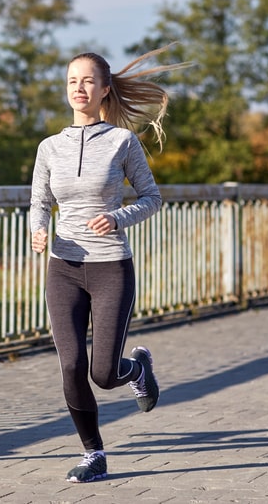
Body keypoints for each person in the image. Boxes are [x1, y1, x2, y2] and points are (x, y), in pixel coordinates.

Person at [30, 46, 181, 483]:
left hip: (110, 266)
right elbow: (39, 201)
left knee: (102, 373)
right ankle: (94, 453)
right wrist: (39, 229)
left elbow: (152, 198)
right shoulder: (49, 147)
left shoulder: (122, 141)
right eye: (72, 81)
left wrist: (116, 217)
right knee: (72, 366)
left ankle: (135, 370)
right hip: (63, 267)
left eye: (88, 81)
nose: (79, 88)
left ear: (104, 89)